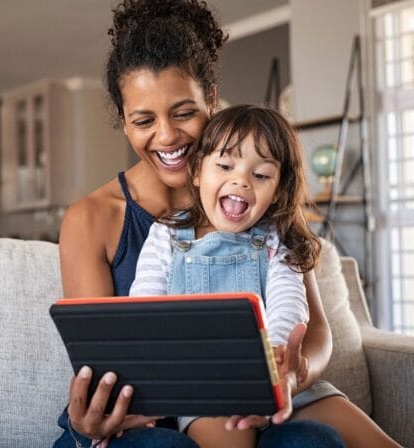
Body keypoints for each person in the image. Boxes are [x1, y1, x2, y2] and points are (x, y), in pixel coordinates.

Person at [54, 0, 349, 447]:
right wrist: (92, 419)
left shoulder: (250, 197)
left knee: (313, 440)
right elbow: (107, 359)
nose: (167, 136)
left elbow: (315, 331)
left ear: (210, 99)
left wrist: (290, 374)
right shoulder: (93, 217)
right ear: (124, 123)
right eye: (143, 120)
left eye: (183, 112)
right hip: (148, 417)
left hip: (259, 395)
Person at [129, 104, 401, 448]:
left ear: (277, 189)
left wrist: (276, 364)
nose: (241, 180)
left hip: (282, 382)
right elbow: (144, 309)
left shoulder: (276, 238)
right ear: (197, 171)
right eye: (225, 166)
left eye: (261, 175)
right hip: (210, 391)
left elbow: (290, 301)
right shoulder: (167, 235)